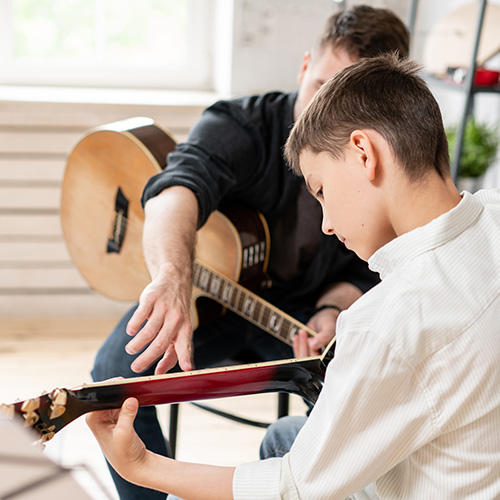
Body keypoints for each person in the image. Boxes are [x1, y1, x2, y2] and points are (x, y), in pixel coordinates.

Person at [88, 52, 500, 499]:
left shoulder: (384, 325)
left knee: (284, 448)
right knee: (285, 432)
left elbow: (293, 487)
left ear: (364, 153)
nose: (325, 222)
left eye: (321, 189)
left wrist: (142, 466)